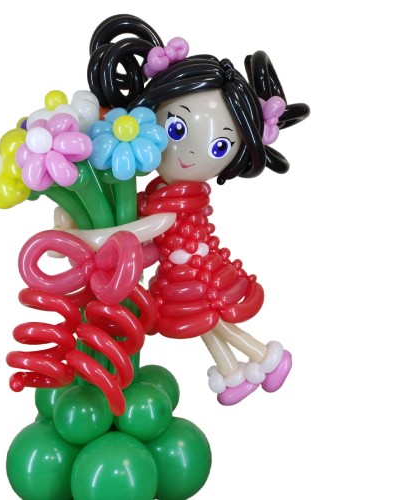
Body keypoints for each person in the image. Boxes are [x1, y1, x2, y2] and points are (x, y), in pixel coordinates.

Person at [87, 14, 310, 405]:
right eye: (177, 128)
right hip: (184, 267)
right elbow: (140, 215)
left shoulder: (178, 201)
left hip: (196, 268)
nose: (189, 153)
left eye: (219, 147)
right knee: (207, 323)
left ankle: (263, 357)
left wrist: (91, 237)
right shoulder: (161, 190)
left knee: (210, 319)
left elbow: (147, 227)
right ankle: (236, 370)